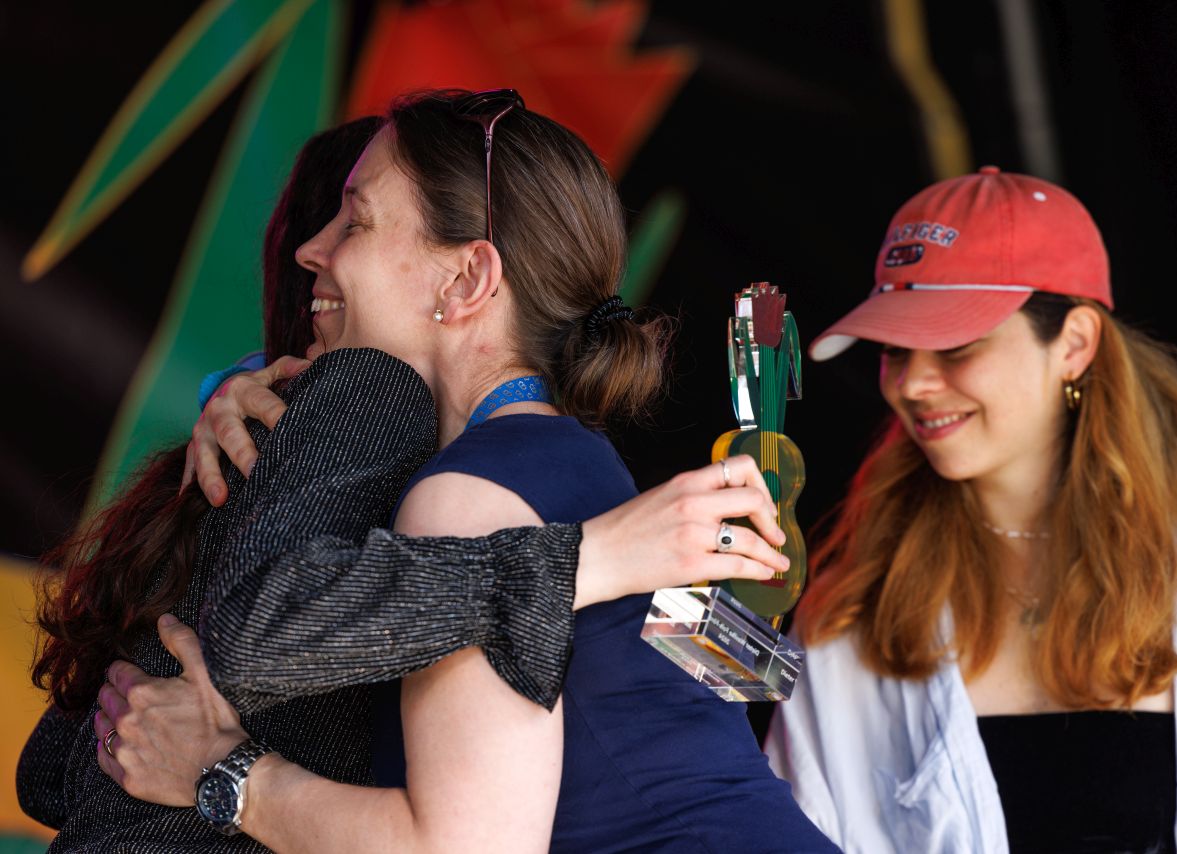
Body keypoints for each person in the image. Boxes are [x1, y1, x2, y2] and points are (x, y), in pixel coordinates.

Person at [19, 103, 790, 851]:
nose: (311, 251)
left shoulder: (468, 497)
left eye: (355, 221)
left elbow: (466, 845)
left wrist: (220, 772)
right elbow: (741, 697)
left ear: (465, 281)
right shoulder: (589, 466)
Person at [764, 166, 1177, 852]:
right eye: (893, 349)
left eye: (954, 344)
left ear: (1074, 345)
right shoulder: (850, 617)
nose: (912, 384)